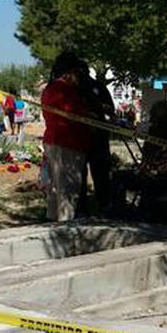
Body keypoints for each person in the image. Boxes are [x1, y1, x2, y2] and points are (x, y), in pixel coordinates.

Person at [41, 52, 91, 221]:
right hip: (69, 142)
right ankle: (65, 224)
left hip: (52, 140)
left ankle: (52, 221)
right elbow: (75, 114)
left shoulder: (49, 89)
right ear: (70, 72)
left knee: (54, 187)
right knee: (68, 188)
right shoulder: (65, 90)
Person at [79, 68, 115, 213]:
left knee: (101, 174)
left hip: (99, 137)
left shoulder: (99, 87)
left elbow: (111, 108)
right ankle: (81, 206)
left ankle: (104, 204)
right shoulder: (74, 89)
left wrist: (97, 108)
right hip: (80, 137)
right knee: (80, 174)